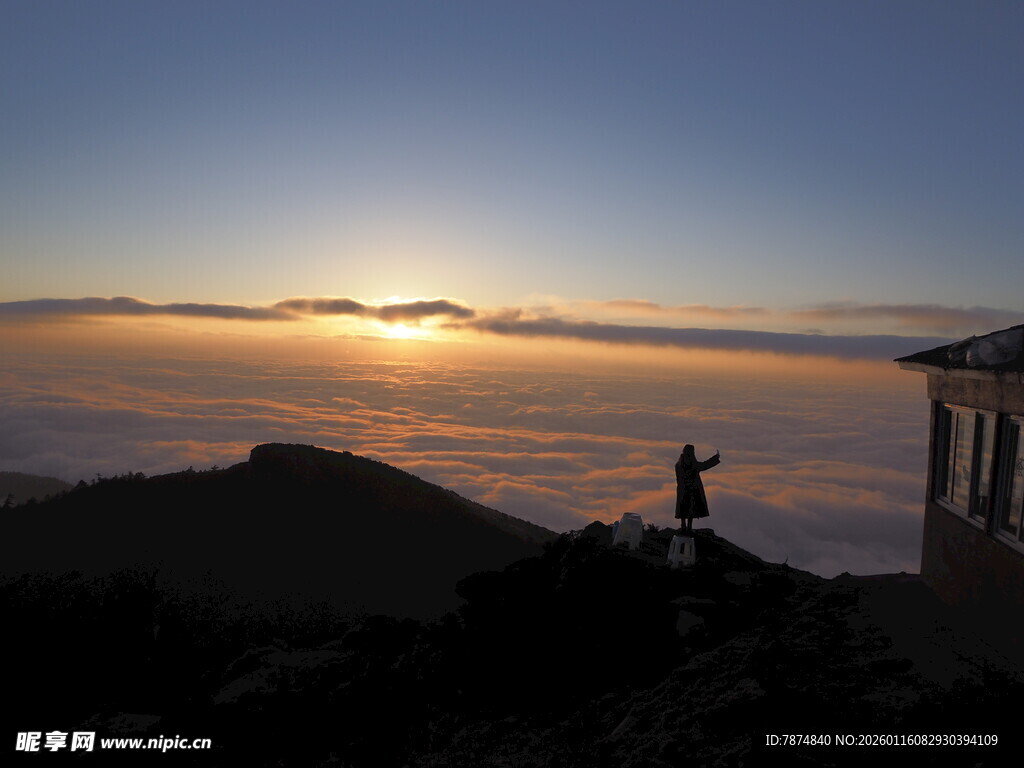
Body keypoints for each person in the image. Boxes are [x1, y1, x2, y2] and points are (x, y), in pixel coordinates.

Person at [674, 444, 720, 534]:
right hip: (693, 490)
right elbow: (704, 465)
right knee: (691, 509)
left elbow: (679, 478)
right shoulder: (693, 465)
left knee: (683, 508)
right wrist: (716, 458)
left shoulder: (678, 465)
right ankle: (689, 528)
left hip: (682, 490)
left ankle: (683, 526)